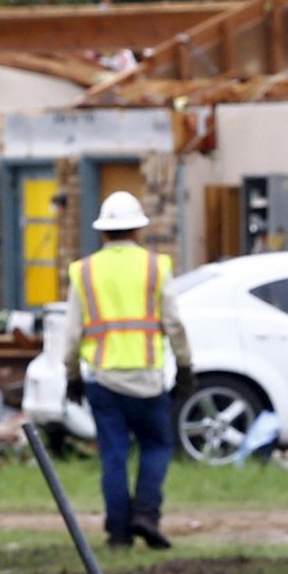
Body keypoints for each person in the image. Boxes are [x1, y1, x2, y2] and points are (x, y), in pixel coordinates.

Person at [63, 190, 193, 551]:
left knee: (114, 455)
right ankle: (147, 515)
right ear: (138, 230)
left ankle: (118, 533)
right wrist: (185, 366)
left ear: (103, 232)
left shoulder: (84, 271)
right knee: (156, 447)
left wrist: (71, 374)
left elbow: (72, 332)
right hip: (148, 378)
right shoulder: (155, 267)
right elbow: (174, 323)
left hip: (104, 380)